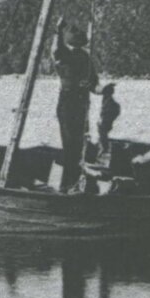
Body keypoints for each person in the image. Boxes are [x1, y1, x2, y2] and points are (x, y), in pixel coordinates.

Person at [52, 22, 99, 191]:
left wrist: (100, 90)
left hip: (81, 102)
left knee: (79, 144)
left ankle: (75, 181)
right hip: (68, 101)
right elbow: (56, 49)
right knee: (70, 143)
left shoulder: (85, 58)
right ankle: (67, 183)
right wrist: (58, 30)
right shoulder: (64, 55)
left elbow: (94, 83)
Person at [95, 81, 121, 162]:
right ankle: (103, 149)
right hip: (105, 119)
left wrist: (107, 117)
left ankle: (104, 150)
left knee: (103, 134)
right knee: (102, 134)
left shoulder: (110, 101)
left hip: (106, 120)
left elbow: (114, 111)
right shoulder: (106, 100)